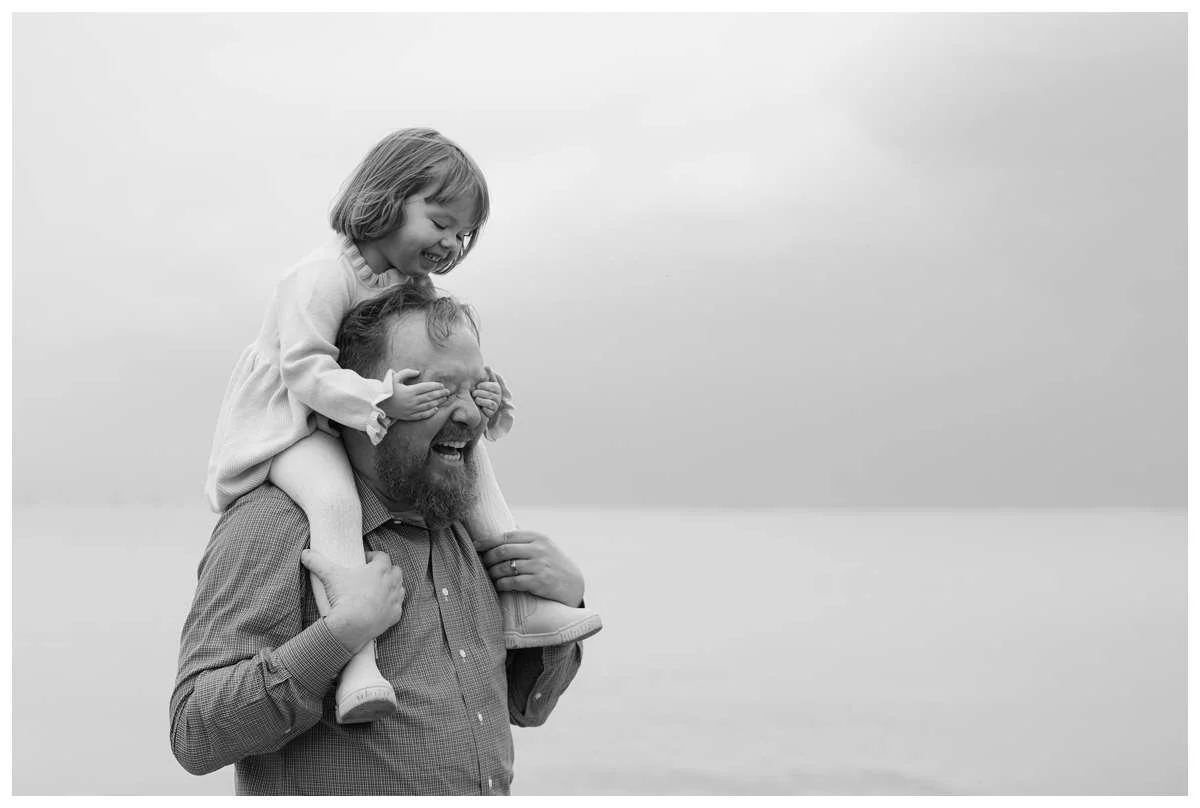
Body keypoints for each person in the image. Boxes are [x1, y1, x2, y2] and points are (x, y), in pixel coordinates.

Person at [203, 128, 600, 723]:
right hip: (287, 423)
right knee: (334, 503)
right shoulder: (318, 277)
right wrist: (332, 640)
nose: (452, 243)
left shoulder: (413, 290)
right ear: (385, 199)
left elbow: (525, 711)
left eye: (463, 234)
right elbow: (304, 368)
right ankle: (358, 665)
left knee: (477, 464)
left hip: (356, 411)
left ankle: (522, 604)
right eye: (441, 223)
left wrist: (483, 394)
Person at [172, 283, 588, 795]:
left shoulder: (464, 534)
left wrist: (565, 601)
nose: (470, 415)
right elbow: (195, 734)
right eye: (434, 391)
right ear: (354, 404)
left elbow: (525, 708)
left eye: (476, 390)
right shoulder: (275, 523)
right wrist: (339, 636)